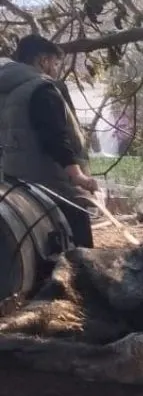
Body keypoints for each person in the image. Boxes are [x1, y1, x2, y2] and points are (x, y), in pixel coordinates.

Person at [0, 34, 98, 247]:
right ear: (42, 60)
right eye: (54, 63)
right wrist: (77, 176)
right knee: (78, 252)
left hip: (15, 188)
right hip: (53, 186)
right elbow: (54, 136)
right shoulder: (41, 88)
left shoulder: (5, 91)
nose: (55, 69)